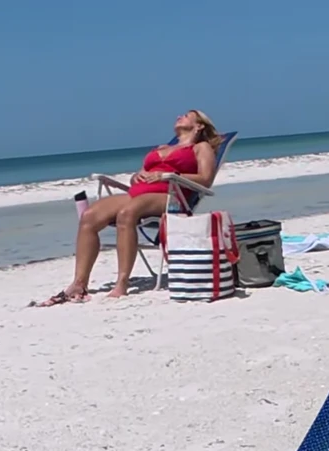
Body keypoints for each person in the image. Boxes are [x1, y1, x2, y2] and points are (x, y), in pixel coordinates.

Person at [38, 110, 221, 305]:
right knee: (89, 217)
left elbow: (205, 179)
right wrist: (137, 176)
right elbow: (143, 172)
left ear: (199, 125)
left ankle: (122, 283)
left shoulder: (201, 147)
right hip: (138, 194)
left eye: (186, 115)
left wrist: (168, 175)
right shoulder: (162, 148)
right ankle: (79, 283)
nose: (179, 116)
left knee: (127, 213)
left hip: (171, 197)